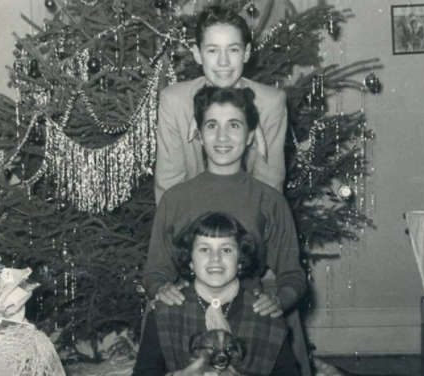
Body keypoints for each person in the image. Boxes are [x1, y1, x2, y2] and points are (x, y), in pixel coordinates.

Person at [144, 86, 310, 374]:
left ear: (249, 135)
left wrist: (280, 299)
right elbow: (155, 270)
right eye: (212, 125)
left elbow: (293, 274)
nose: (222, 137)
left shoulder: (269, 199)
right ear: (199, 132)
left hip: (248, 317)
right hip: (188, 315)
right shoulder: (175, 198)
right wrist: (161, 289)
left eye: (233, 125)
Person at [133, 211, 299, 376]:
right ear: (190, 261)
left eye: (226, 250)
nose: (215, 258)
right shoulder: (165, 313)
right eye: (204, 249)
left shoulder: (266, 316)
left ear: (240, 261)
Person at [155, 5, 287, 204]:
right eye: (213, 50)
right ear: (198, 54)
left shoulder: (270, 103)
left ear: (246, 53)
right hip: (190, 219)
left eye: (233, 49)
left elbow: (269, 190)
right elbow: (169, 187)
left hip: (248, 220)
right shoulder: (174, 102)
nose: (223, 62)